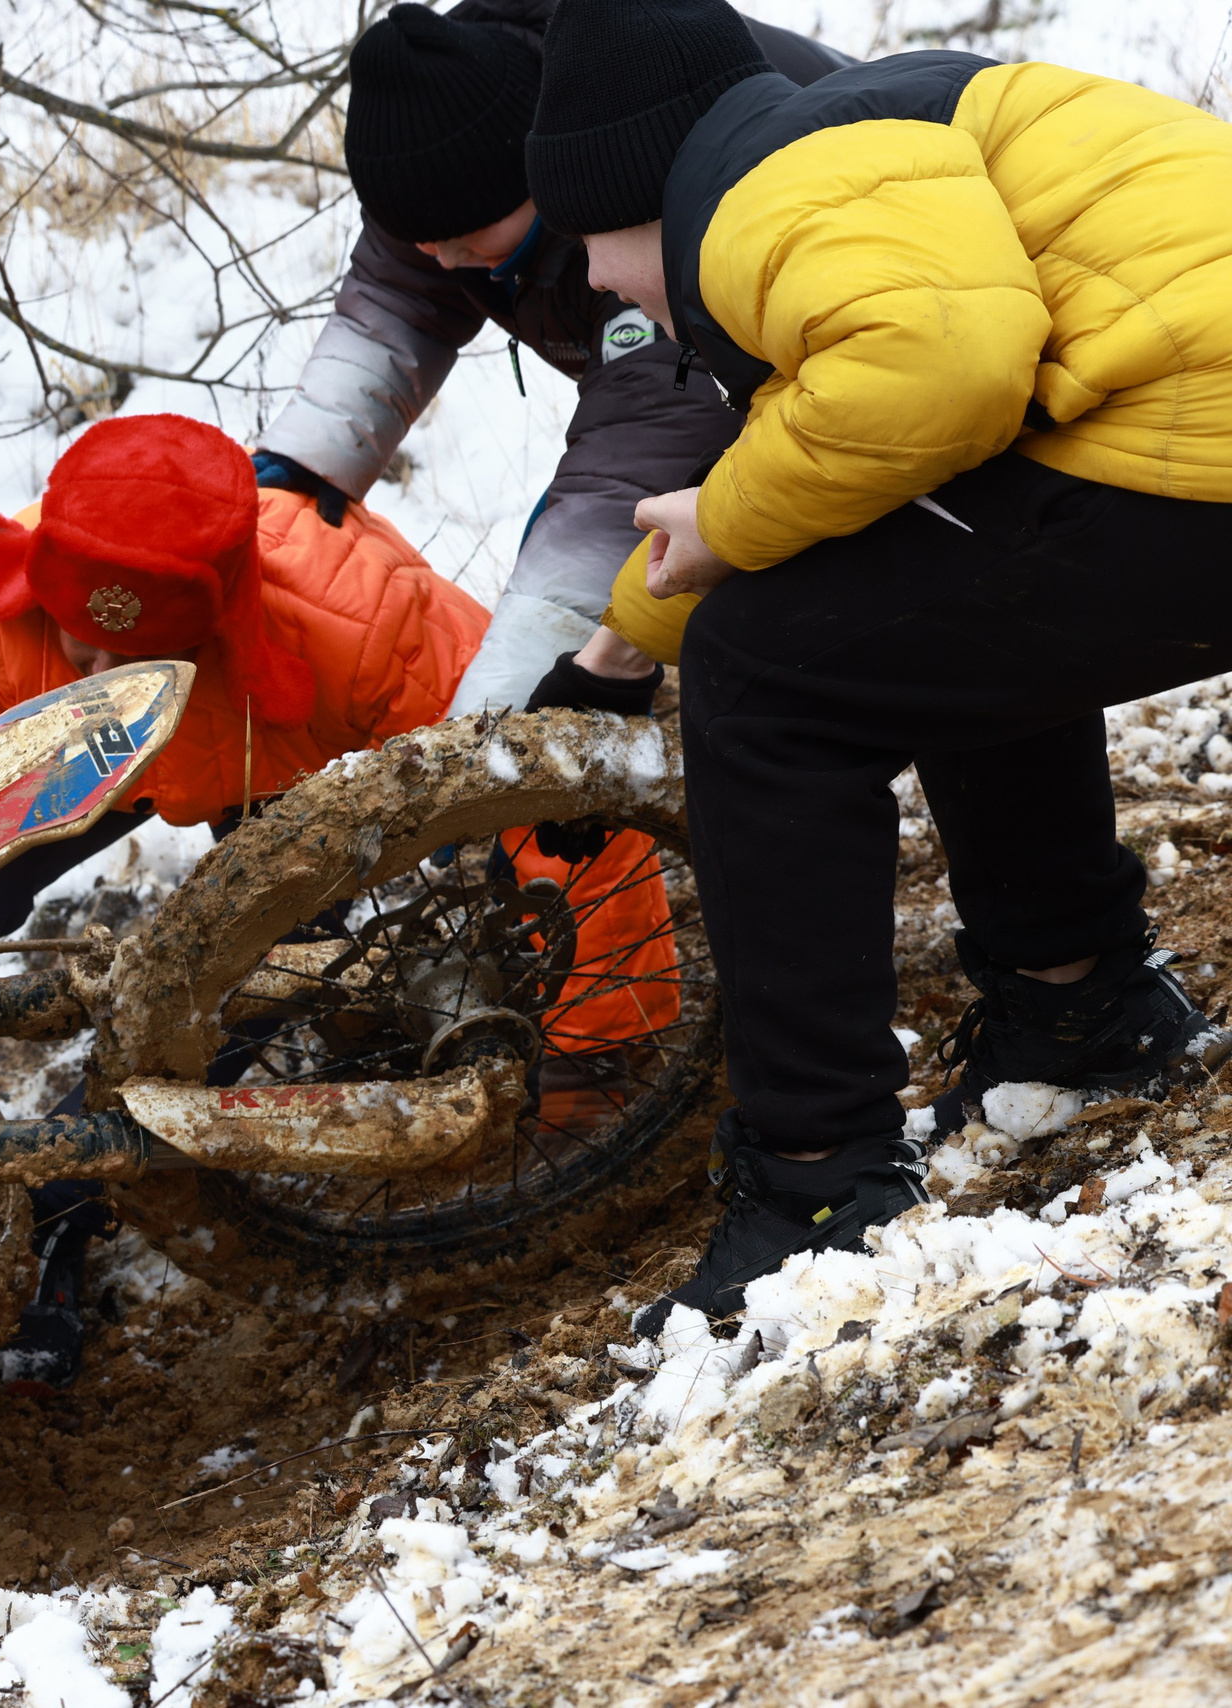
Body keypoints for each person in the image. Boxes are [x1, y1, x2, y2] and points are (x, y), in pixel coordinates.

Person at [0, 412, 676, 1388]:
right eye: (85, 649)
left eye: (137, 657)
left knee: (235, 978)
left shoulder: (358, 618)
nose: (105, 674)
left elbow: (540, 782)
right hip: (61, 755)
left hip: (277, 751)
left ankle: (63, 1207)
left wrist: (596, 1050)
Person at [519, 0, 1232, 1335]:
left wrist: (708, 559)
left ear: (633, 191)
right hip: (1187, 428)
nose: (611, 293)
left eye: (597, 256)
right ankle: (1078, 1010)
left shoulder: (753, 202)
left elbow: (940, 370)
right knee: (936, 594)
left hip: (1202, 453)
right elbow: (876, 450)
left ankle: (815, 1183)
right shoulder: (857, 130)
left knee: (767, 680)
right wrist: (616, 650)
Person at [253, 0, 848, 724]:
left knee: (775, 610)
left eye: (465, 236)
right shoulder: (452, 135)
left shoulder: (640, 190)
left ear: (538, 178)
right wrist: (307, 462)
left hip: (872, 307)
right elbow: (397, 297)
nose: (444, 259)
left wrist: (491, 739)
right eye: (423, 240)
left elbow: (632, 459)